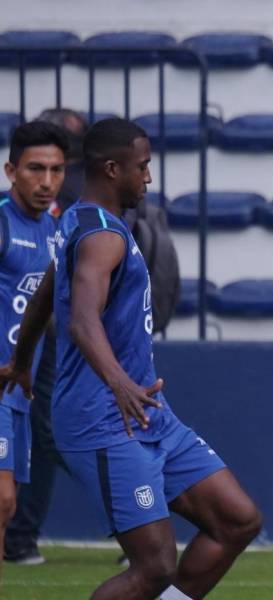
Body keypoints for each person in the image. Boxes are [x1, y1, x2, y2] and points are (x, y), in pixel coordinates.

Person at [0, 118, 262, 599]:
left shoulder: (79, 221)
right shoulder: (102, 235)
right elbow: (81, 319)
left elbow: (44, 291)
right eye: (142, 167)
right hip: (103, 417)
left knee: (237, 520)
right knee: (155, 566)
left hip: (145, 413)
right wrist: (119, 382)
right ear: (112, 168)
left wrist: (20, 359)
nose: (147, 178)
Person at [0, 122, 69, 576]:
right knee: (1, 498)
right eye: (35, 169)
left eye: (57, 170)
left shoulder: (56, 232)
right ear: (11, 171)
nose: (46, 182)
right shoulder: (3, 222)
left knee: (6, 509)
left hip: (17, 389)